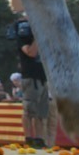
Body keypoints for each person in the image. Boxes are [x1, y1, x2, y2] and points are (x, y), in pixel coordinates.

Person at [15, 18, 52, 147]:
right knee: (30, 110)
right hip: (30, 77)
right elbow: (31, 52)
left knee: (41, 112)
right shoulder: (23, 38)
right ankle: (28, 138)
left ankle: (39, 139)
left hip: (42, 77)